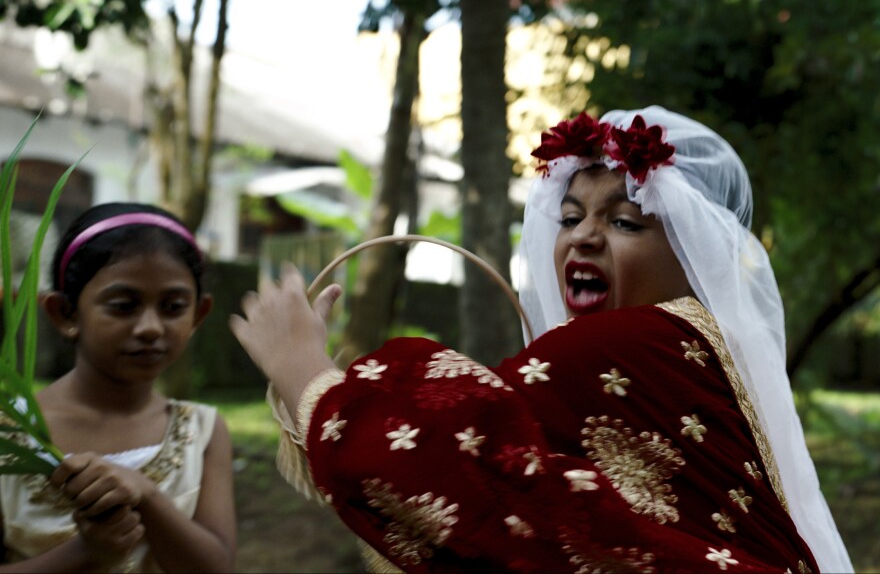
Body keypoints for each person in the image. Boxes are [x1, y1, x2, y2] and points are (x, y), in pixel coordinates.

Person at [230, 106, 852, 573]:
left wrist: (303, 370)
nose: (582, 237)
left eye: (625, 221)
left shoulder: (633, 342)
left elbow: (451, 460)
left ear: (695, 253)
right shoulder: (693, 355)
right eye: (571, 217)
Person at [0, 202, 236, 572]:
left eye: (173, 307)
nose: (150, 327)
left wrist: (146, 495)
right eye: (123, 306)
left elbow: (215, 566)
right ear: (65, 313)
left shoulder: (202, 432)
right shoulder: (9, 430)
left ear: (198, 314)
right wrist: (85, 552)